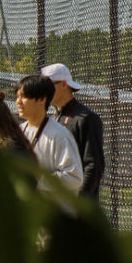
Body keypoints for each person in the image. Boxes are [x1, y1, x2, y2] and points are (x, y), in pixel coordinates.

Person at [41, 63, 105, 200]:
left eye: (49, 86)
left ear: (64, 84)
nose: (45, 92)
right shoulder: (53, 118)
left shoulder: (86, 118)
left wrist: (78, 204)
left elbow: (94, 166)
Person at [15, 74, 83, 196]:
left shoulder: (60, 136)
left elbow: (74, 177)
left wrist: (36, 179)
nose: (18, 102)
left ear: (42, 99)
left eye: (24, 96)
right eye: (17, 97)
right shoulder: (18, 132)